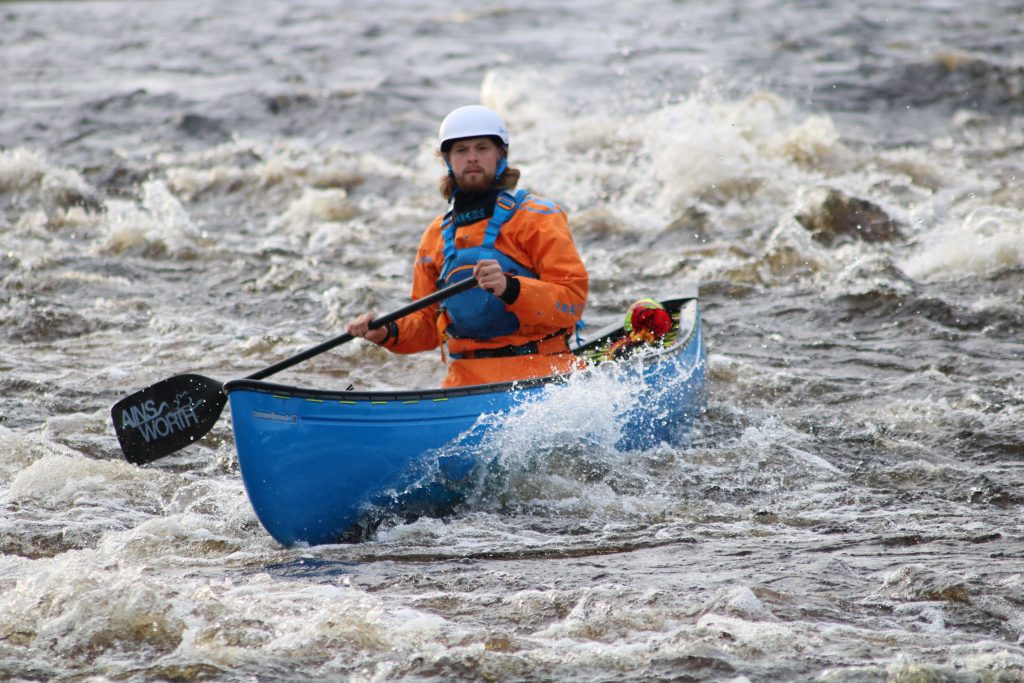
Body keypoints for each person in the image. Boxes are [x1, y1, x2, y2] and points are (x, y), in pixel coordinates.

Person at [346, 104, 589, 388]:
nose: (472, 158)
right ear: (448, 159)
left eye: (482, 148)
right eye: (461, 150)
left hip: (545, 373)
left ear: (500, 154)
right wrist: (387, 331)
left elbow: (571, 302)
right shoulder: (435, 235)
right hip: (465, 382)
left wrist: (511, 288)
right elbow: (426, 325)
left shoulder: (539, 218)